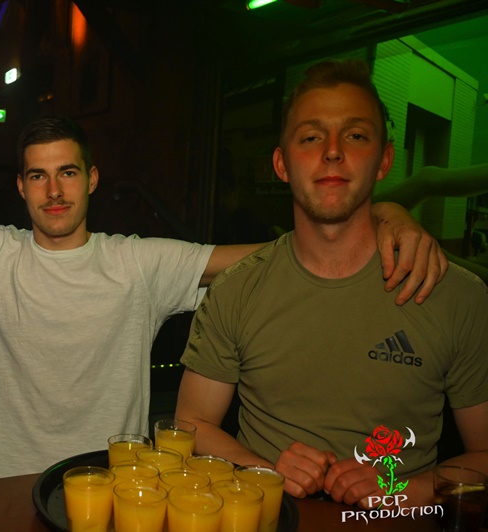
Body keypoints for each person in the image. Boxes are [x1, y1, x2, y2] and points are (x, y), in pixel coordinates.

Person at [0, 117, 446, 482]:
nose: (54, 190)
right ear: (21, 188)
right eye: (38, 176)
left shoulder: (137, 264)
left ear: (91, 180)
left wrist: (379, 214)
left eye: (68, 172)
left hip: (112, 498)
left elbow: (267, 256)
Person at [175, 60, 488, 509]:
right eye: (311, 137)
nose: (333, 151)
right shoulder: (236, 290)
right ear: (281, 164)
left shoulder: (456, 296)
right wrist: (264, 472)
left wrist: (398, 490)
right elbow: (191, 426)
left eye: (355, 135)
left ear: (384, 160)